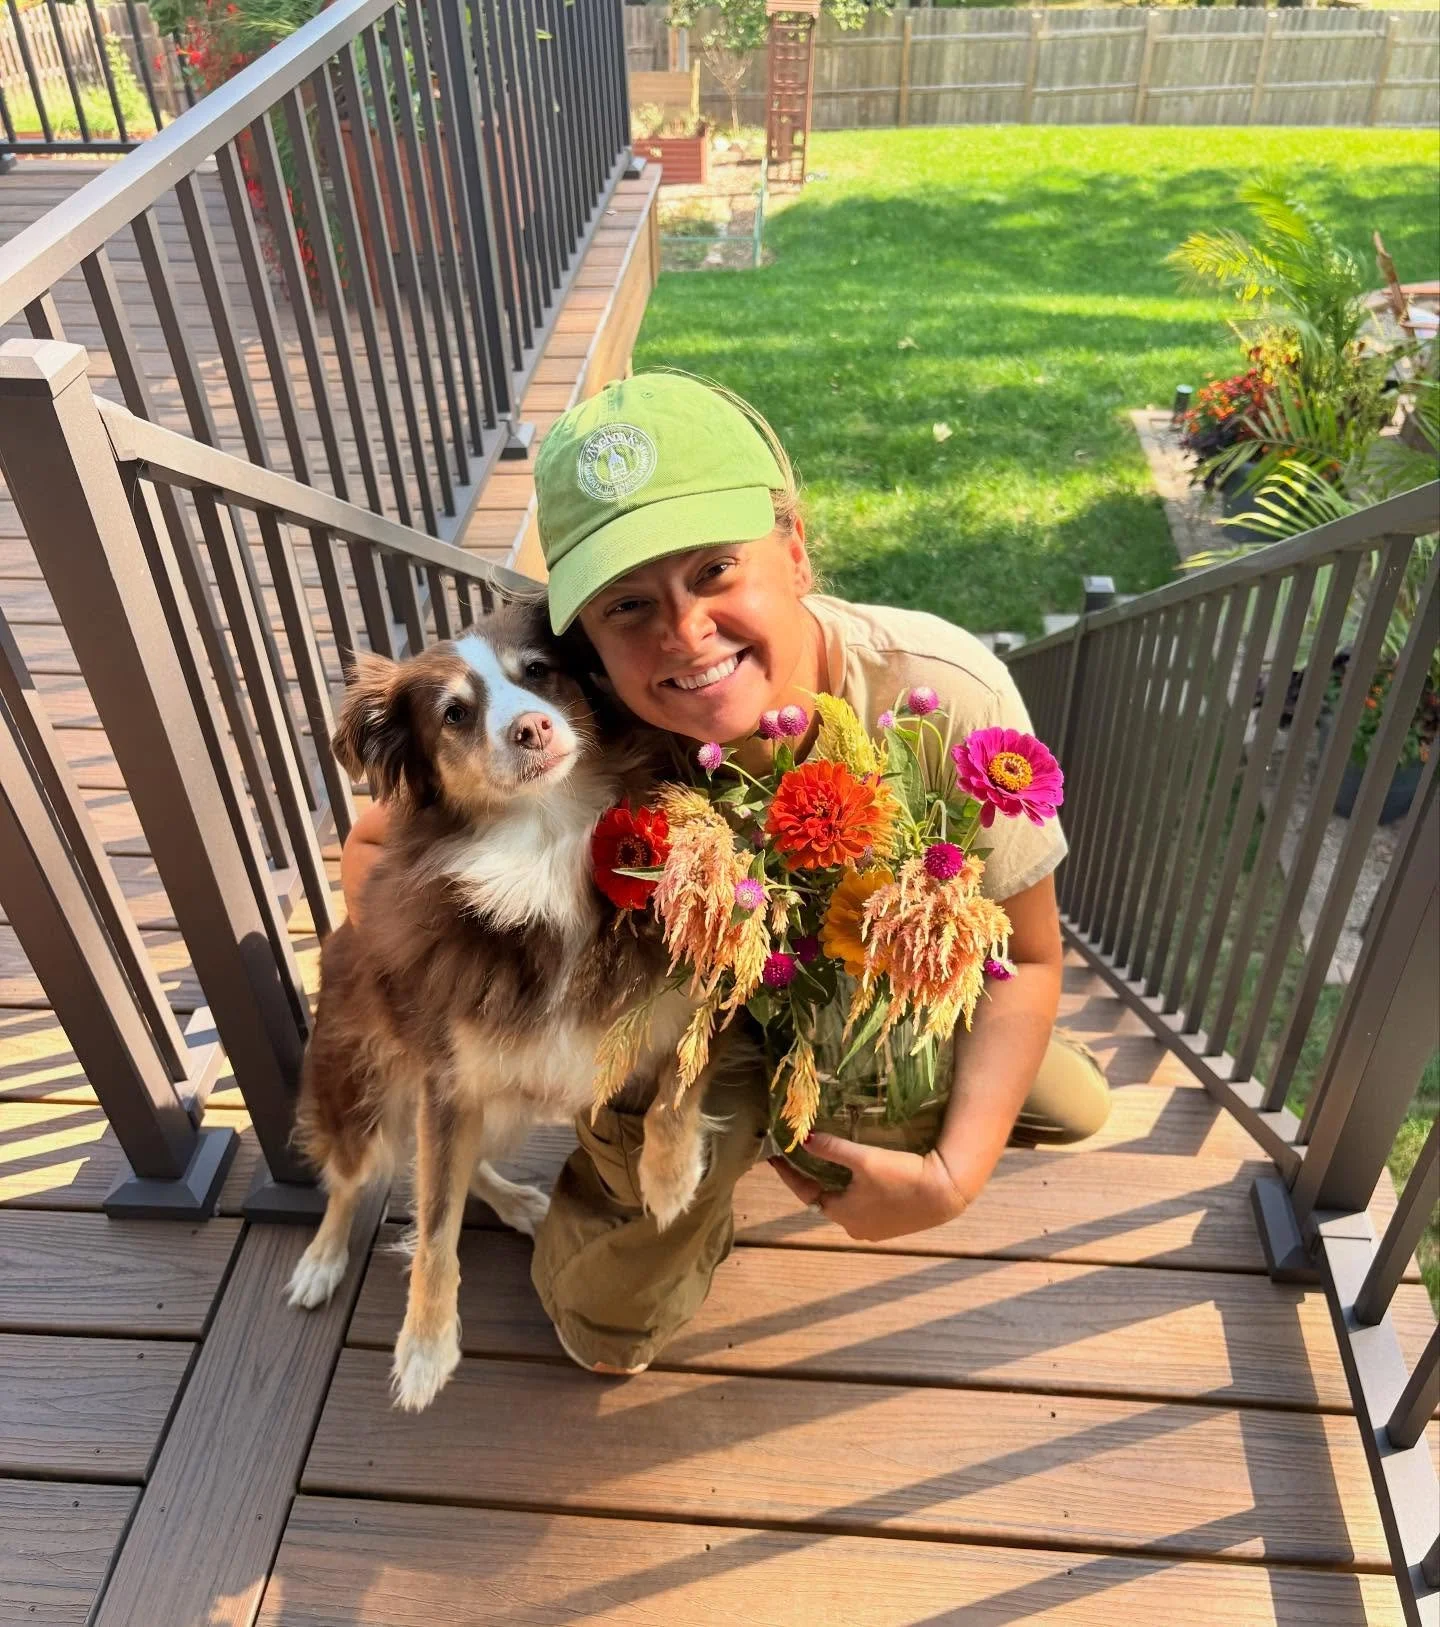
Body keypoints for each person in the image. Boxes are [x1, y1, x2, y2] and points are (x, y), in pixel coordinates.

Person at [340, 372, 1110, 1375]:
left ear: (795, 550)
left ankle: (851, 1103)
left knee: (1071, 1106)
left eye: (714, 569)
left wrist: (953, 1178)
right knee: (600, 1328)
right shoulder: (586, 724)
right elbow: (375, 848)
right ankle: (679, 1174)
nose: (685, 632)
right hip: (695, 1026)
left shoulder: (944, 695)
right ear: (583, 639)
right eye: (627, 604)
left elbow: (1034, 958)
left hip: (868, 986)